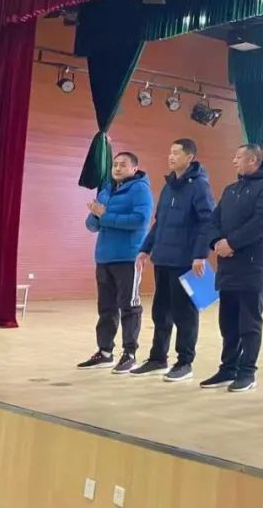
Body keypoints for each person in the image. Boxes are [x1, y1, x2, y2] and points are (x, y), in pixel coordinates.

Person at [131, 138, 215, 383]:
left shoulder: (199, 186)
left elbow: (207, 222)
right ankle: (158, 358)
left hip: (185, 261)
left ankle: (184, 362)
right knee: (161, 311)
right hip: (163, 259)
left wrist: (200, 254)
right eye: (170, 152)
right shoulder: (168, 187)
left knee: (184, 314)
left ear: (189, 157)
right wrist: (145, 248)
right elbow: (159, 222)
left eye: (177, 153)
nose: (171, 156)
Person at [199, 144, 263, 393]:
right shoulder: (231, 190)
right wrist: (217, 242)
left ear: (253, 160)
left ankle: (247, 372)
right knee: (228, 322)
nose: (234, 161)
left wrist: (232, 243)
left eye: (239, 157)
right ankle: (228, 369)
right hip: (228, 266)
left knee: (249, 323)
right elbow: (214, 220)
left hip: (252, 266)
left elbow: (262, 222)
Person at [77, 151, 154, 374]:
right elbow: (92, 225)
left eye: (123, 165)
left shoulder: (140, 189)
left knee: (129, 306)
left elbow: (140, 220)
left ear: (134, 168)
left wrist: (105, 216)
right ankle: (104, 352)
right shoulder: (106, 190)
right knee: (106, 307)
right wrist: (96, 216)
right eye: (115, 165)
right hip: (104, 257)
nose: (117, 168)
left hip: (128, 257)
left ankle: (130, 354)